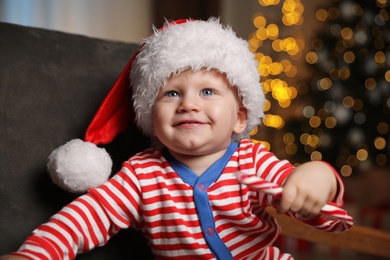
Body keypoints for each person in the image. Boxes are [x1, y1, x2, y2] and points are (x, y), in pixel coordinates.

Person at [1, 18, 347, 260]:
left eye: (208, 90)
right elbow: (88, 217)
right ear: (151, 118)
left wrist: (318, 179)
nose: (189, 104)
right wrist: (34, 254)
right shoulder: (140, 176)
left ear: (240, 117)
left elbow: (315, 208)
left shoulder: (253, 160)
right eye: (170, 95)